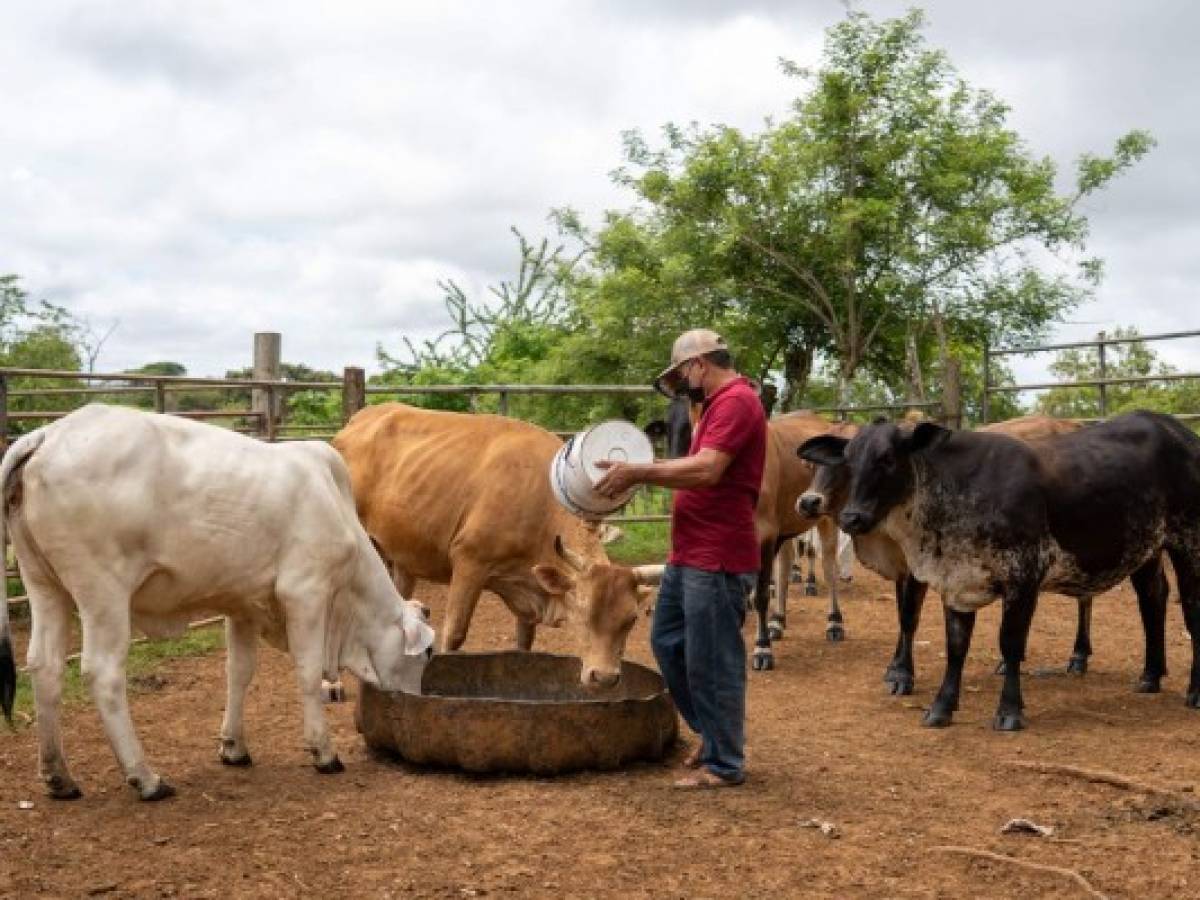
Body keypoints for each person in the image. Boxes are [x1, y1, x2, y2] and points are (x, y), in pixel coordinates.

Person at [594, 329, 767, 788]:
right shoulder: (713, 406)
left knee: (713, 659)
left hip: (718, 555)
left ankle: (725, 762)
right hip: (691, 552)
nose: (681, 382)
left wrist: (639, 471)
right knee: (668, 642)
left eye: (681, 373)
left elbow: (709, 469)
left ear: (698, 364)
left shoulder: (735, 401)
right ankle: (712, 737)